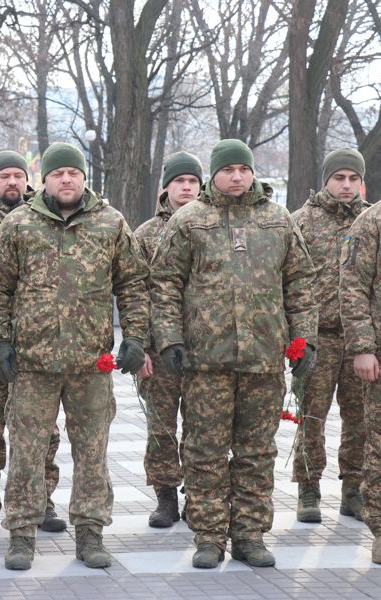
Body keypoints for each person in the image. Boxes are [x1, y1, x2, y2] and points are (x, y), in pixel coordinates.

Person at [150, 139, 317, 569]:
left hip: (263, 360)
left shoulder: (277, 221)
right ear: (214, 174)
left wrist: (305, 340)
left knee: (256, 452)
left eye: (244, 169)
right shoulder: (190, 221)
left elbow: (300, 284)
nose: (237, 177)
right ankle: (208, 536)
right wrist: (170, 339)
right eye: (228, 170)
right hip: (207, 362)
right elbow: (165, 282)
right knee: (204, 451)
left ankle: (249, 534)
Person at [0, 142, 149, 571]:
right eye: (58, 173)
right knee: (25, 452)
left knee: (92, 452)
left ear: (83, 177)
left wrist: (135, 336)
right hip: (32, 365)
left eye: (73, 173)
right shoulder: (19, 224)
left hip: (89, 364)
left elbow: (132, 283)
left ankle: (90, 533)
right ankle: (21, 533)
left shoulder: (110, 223)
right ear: (45, 179)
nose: (66, 179)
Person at [0, 150, 65, 537]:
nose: (11, 183)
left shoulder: (46, 221)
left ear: (29, 181)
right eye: (3, 176)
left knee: (43, 432)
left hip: (36, 350)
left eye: (18, 176)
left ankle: (42, 499)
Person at [291, 149, 368, 523]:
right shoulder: (302, 221)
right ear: (326, 180)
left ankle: (353, 488)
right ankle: (308, 488)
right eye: (339, 178)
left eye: (353, 179)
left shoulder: (371, 221)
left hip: (360, 340)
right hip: (317, 336)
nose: (347, 185)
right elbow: (288, 281)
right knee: (312, 416)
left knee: (361, 419)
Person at [133, 151, 203, 527]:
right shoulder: (146, 235)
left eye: (193, 181)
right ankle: (165, 497)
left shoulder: (211, 226)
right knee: (162, 426)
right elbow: (135, 293)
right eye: (180, 181)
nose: (187, 187)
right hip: (160, 351)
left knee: (202, 426)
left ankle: (198, 494)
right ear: (167, 188)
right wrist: (141, 346)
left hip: (204, 347)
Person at [337, 153, 381, 563]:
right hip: (379, 355)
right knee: (378, 444)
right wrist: (363, 347)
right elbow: (352, 287)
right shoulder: (372, 222)